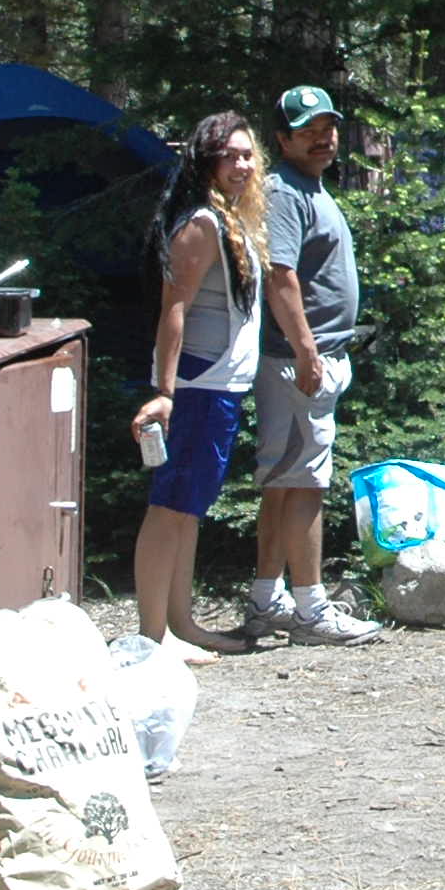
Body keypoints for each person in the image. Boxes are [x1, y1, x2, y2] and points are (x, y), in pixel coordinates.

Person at [236, 87, 380, 646]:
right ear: (283, 139)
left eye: (328, 127)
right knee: (305, 484)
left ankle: (267, 598)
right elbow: (280, 276)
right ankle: (310, 610)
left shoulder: (311, 187)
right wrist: (306, 351)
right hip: (300, 361)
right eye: (308, 130)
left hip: (310, 356)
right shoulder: (283, 192)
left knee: (283, 481)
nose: (323, 137)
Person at [133, 112, 267, 659]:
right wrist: (165, 392)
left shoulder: (226, 217)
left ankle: (180, 622)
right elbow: (174, 307)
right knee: (169, 505)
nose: (241, 165)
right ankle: (150, 635)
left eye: (247, 155)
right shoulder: (202, 224)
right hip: (196, 384)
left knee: (190, 505)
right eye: (229, 155)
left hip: (222, 386)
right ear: (205, 161)